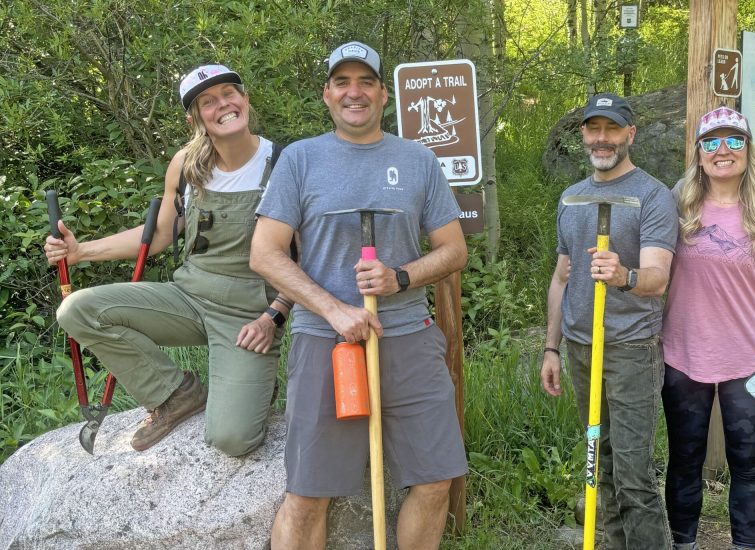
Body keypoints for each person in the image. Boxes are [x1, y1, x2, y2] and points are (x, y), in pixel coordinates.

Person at [249, 41, 468, 550]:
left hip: (408, 335)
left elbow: (453, 250)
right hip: (324, 342)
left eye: (365, 82)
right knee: (307, 495)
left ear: (383, 95)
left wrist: (401, 277)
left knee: (436, 481)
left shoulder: (418, 161)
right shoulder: (300, 160)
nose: (354, 92)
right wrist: (333, 308)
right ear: (327, 94)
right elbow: (264, 254)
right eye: (342, 83)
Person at [42, 64, 289, 456]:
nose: (222, 104)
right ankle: (176, 394)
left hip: (249, 316)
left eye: (229, 93)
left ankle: (245, 384)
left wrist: (274, 316)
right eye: (208, 101)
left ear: (245, 99)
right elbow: (158, 235)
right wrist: (80, 250)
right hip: (189, 297)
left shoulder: (285, 163)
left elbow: (308, 258)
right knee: (77, 310)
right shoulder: (187, 165)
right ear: (194, 117)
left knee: (232, 439)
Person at [540, 92, 676, 549]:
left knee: (635, 474)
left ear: (629, 134)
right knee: (603, 464)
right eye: (594, 129)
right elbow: (561, 278)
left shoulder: (652, 196)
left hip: (630, 350)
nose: (602, 138)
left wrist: (622, 275)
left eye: (612, 129)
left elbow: (657, 278)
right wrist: (551, 347)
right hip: (580, 348)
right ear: (583, 134)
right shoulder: (572, 198)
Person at [660, 106, 755, 550]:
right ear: (699, 153)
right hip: (683, 353)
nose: (724, 150)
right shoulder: (675, 203)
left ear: (748, 149)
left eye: (734, 140)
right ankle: (685, 544)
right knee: (684, 460)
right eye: (712, 142)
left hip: (752, 356)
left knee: (748, 463)